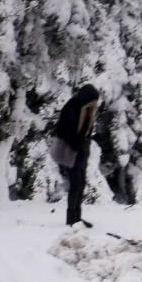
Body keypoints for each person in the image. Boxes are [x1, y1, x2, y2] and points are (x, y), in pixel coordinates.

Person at [54, 84, 100, 227]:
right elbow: (67, 132)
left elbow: (86, 132)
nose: (95, 104)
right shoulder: (72, 107)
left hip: (81, 151)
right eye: (93, 100)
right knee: (75, 184)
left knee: (81, 184)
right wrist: (78, 146)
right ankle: (71, 219)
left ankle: (77, 218)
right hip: (70, 151)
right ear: (86, 98)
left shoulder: (87, 110)